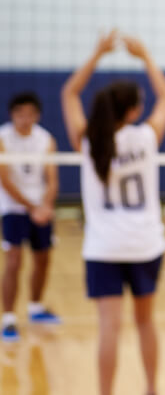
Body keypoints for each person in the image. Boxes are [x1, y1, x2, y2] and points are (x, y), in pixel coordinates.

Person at [61, 31, 165, 395]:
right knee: (145, 322)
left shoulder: (88, 140)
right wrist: (146, 57)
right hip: (144, 244)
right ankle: (152, 389)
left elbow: (68, 94)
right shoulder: (146, 138)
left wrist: (96, 53)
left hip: (104, 248)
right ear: (133, 110)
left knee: (108, 328)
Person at [0, 92, 61, 342]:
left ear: (37, 115)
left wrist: (44, 205)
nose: (25, 119)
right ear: (12, 115)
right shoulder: (3, 138)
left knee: (43, 257)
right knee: (14, 260)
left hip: (40, 207)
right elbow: (4, 180)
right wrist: (31, 207)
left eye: (29, 114)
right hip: (13, 208)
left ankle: (35, 308)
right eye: (19, 114)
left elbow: (52, 179)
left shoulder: (46, 139)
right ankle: (9, 318)